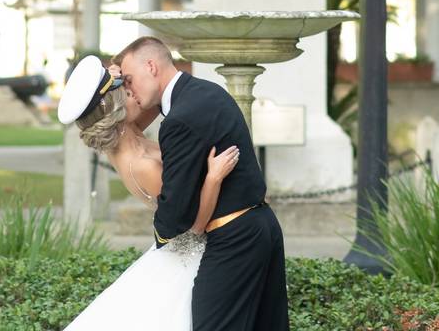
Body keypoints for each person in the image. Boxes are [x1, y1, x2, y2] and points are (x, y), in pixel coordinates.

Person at [57, 54, 241, 331]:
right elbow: (193, 227)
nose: (135, 92)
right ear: (118, 109)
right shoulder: (142, 165)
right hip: (190, 255)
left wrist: (119, 72)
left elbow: (156, 97)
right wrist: (213, 178)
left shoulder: (129, 135)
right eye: (127, 90)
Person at [117, 36, 289, 331]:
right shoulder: (205, 91)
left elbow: (175, 217)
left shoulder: (179, 119)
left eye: (129, 80)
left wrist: (162, 231)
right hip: (260, 226)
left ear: (151, 66)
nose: (129, 90)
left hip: (235, 238)